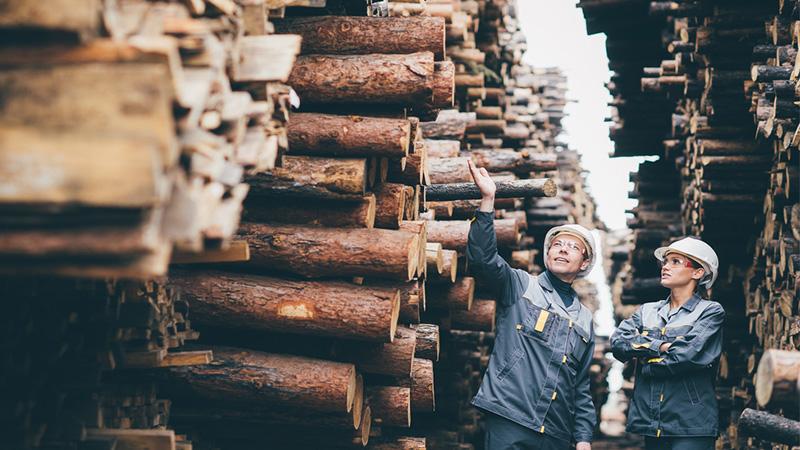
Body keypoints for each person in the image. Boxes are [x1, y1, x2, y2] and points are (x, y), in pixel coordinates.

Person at [466, 160, 597, 450]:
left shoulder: (585, 320)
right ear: (548, 254)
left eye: (573, 247)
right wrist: (488, 200)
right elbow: (483, 260)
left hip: (556, 432)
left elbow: (580, 387)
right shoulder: (521, 286)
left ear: (584, 263)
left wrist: (583, 438)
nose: (563, 249)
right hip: (510, 419)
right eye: (557, 244)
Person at [610, 237, 725, 450]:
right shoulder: (647, 311)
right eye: (665, 261)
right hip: (652, 423)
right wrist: (661, 347)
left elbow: (685, 355)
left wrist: (645, 360)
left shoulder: (710, 312)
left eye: (675, 262)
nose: (665, 266)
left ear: (698, 272)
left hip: (691, 424)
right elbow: (618, 343)